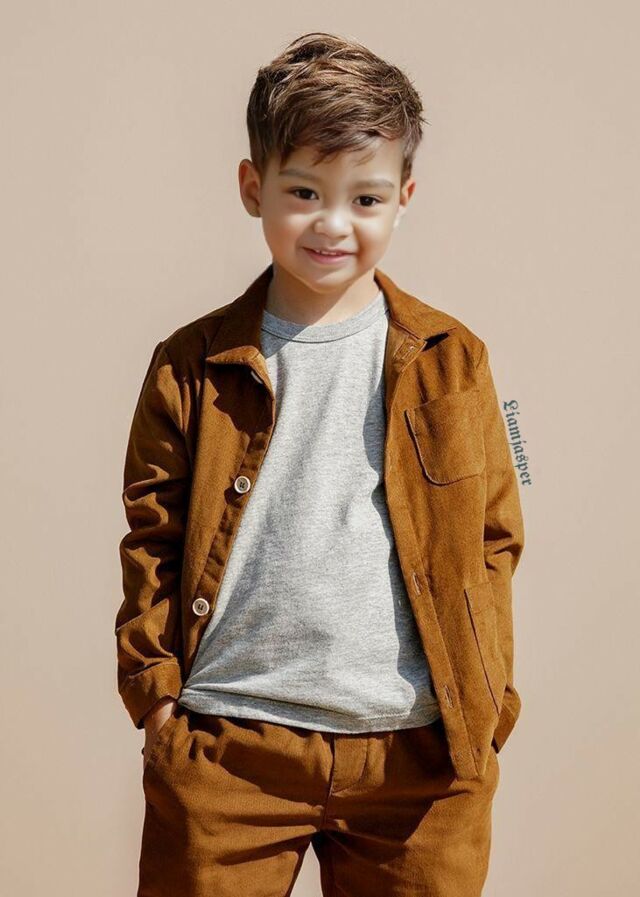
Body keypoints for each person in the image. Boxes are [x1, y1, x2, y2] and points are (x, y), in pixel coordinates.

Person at [116, 31, 525, 897]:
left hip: (419, 755)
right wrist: (157, 696)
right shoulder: (189, 364)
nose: (333, 223)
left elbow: (494, 536)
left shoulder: (457, 360)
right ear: (252, 187)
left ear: (404, 197)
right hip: (230, 743)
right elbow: (152, 533)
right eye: (304, 191)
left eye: (364, 197)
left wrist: (490, 704)